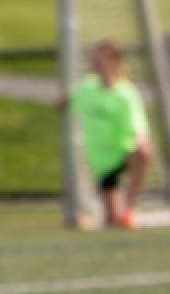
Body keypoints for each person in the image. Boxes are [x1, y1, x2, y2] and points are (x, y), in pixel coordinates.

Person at [60, 38, 154, 229]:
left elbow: (139, 128)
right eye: (94, 60)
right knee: (111, 222)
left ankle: (129, 209)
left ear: (114, 62)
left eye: (100, 60)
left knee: (144, 153)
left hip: (122, 152)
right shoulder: (87, 88)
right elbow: (65, 101)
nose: (95, 64)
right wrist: (64, 100)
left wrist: (141, 144)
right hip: (102, 160)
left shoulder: (125, 93)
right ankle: (106, 215)